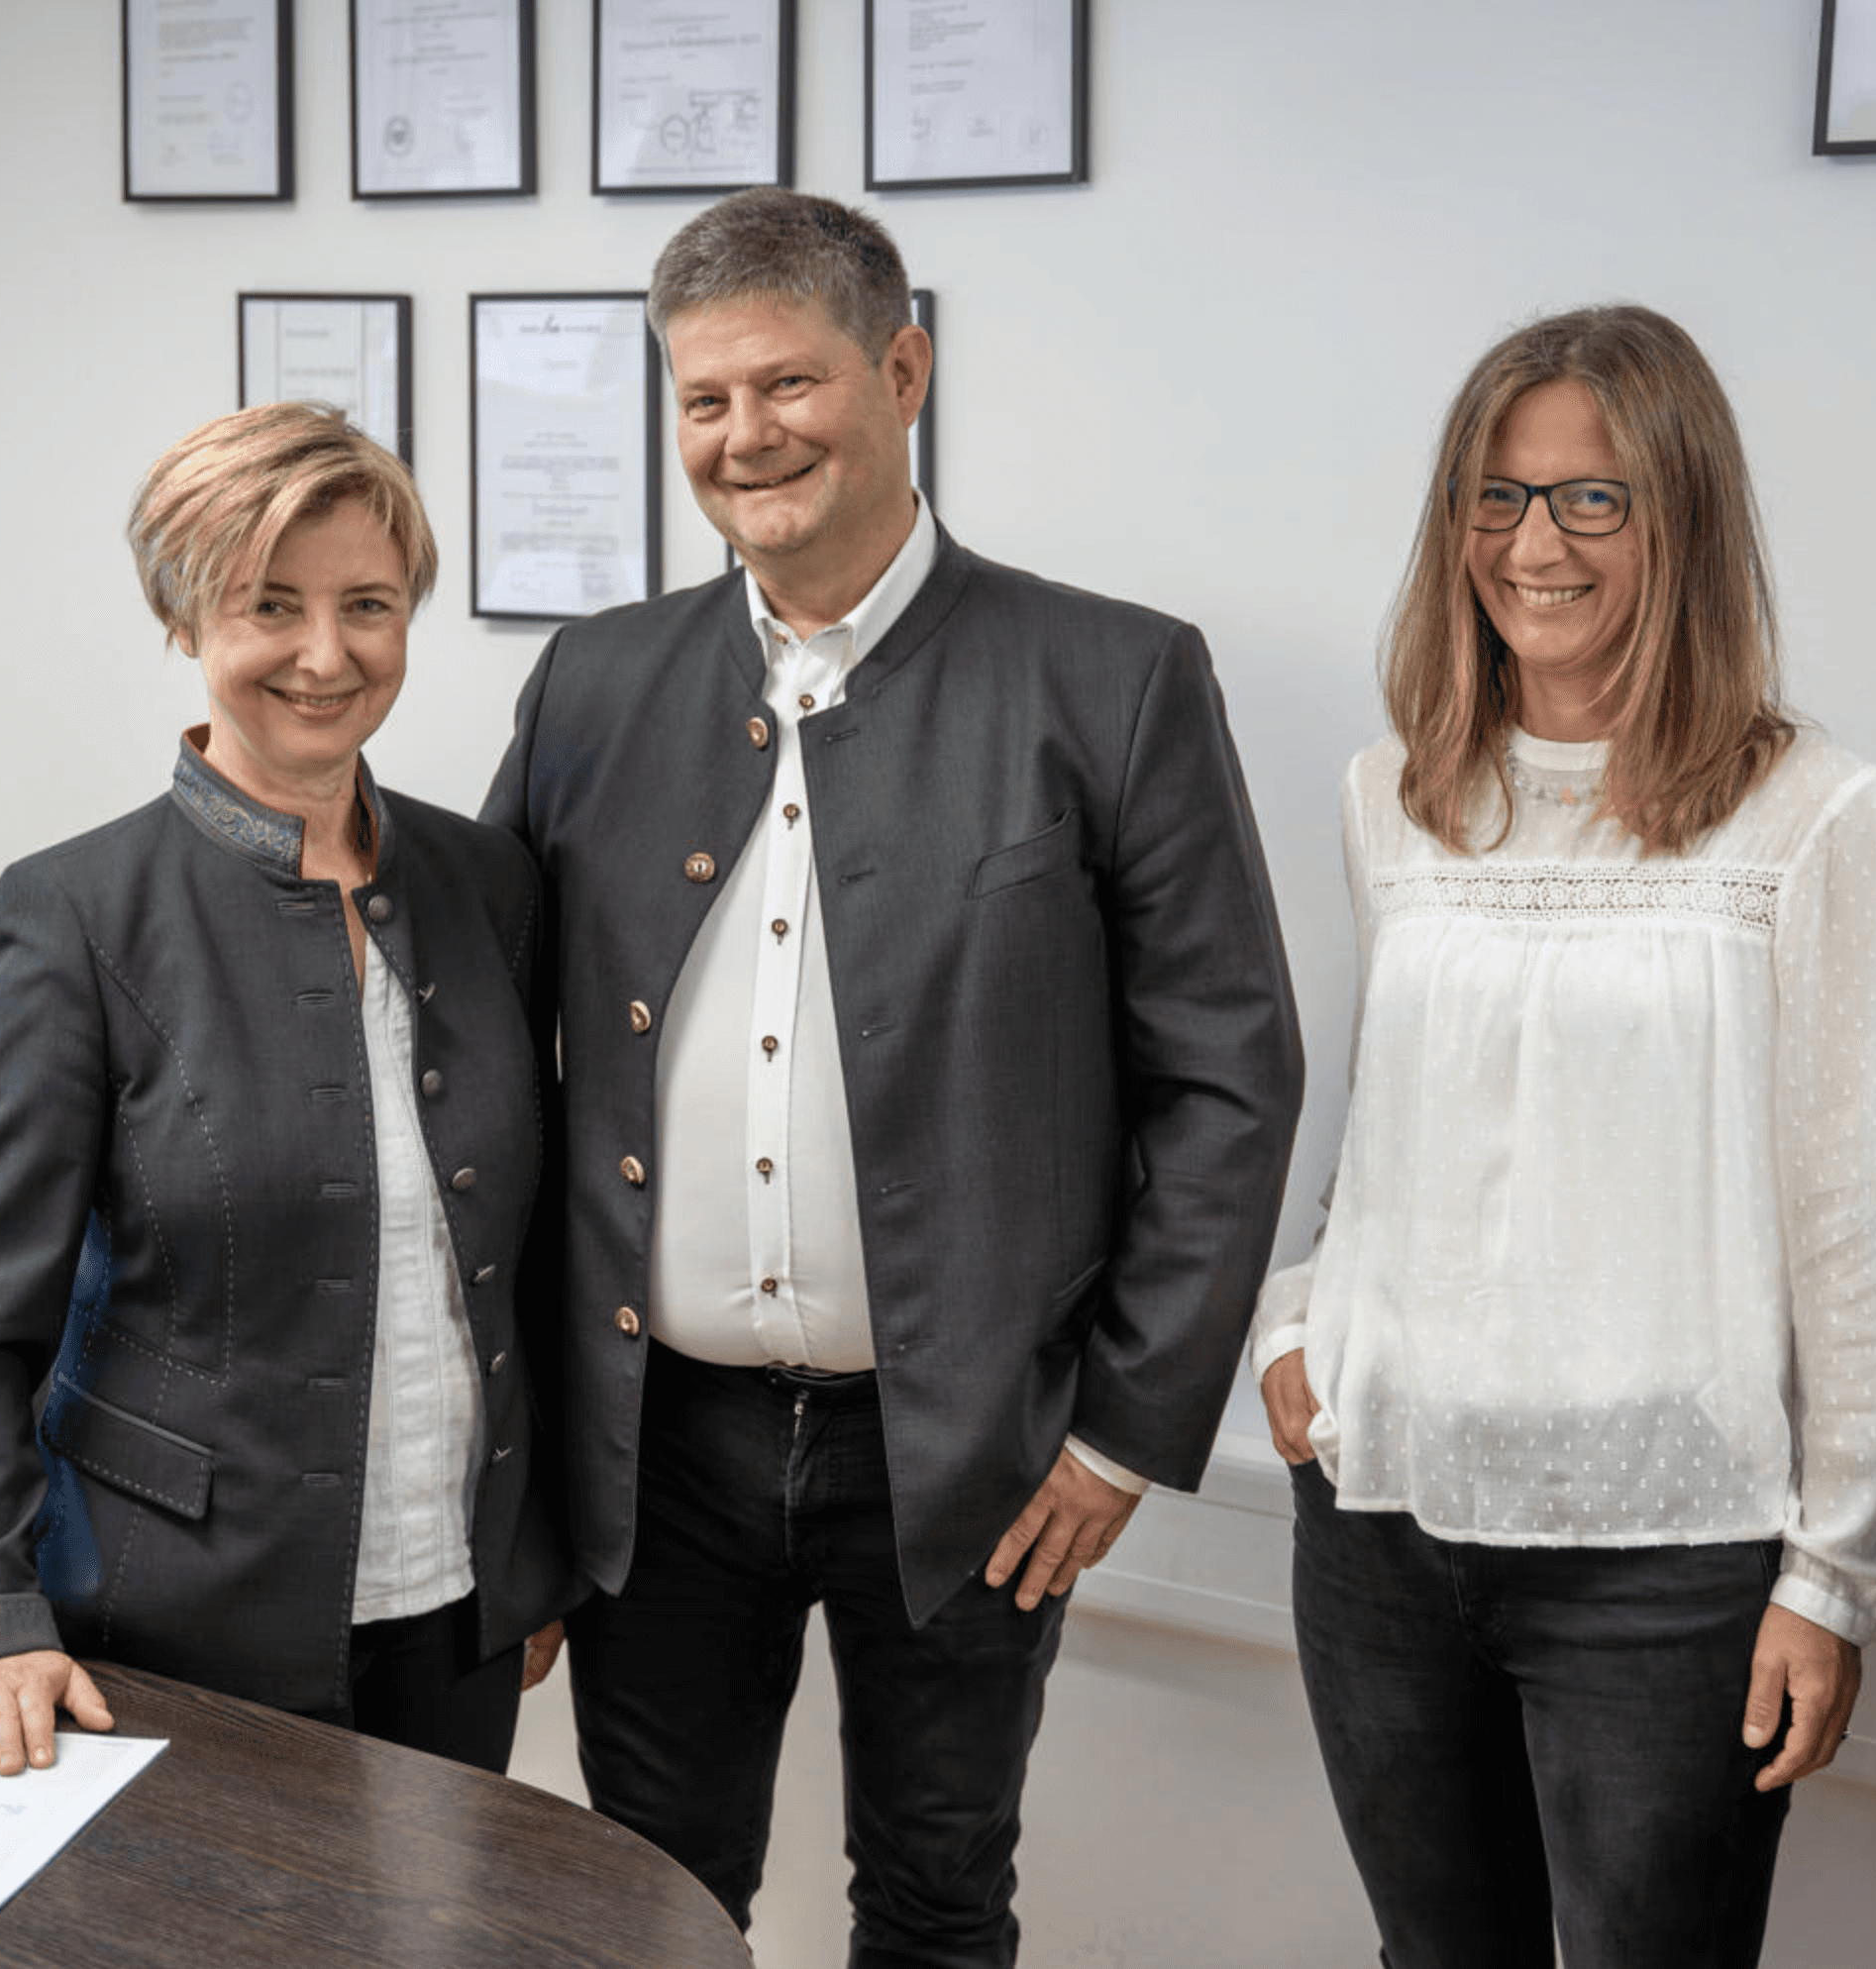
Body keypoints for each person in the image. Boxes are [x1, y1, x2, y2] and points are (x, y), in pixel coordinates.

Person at [481, 188, 1303, 1967]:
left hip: (974, 1454)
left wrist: (1121, 1432)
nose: (741, 437)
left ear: (902, 370)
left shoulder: (1109, 675)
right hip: (657, 1445)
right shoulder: (593, 683)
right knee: (649, 1893)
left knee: (937, 1899)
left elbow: (1228, 1081)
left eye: (786, 383)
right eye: (700, 400)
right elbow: (484, 1058)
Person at [1253, 304, 1876, 1968]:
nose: (1529, 544)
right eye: (1494, 497)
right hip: (1381, 1530)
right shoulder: (1393, 793)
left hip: (1669, 1565)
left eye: (1589, 500)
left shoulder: (1808, 809)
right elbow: (1392, 1128)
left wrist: (1830, 1575)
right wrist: (1294, 1314)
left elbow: (1849, 1218)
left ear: (1678, 520)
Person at [0, 402, 578, 1781]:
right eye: (271, 605)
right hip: (169, 1619)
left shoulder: (486, 884)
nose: (326, 657)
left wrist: (532, 1550)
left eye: (368, 606)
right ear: (183, 614)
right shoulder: (74, 912)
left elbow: (521, 1255)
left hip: (455, 1608)